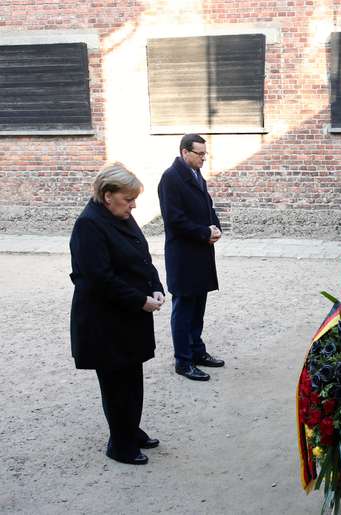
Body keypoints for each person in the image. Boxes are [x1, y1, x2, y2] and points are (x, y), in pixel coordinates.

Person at [69, 162, 165, 465]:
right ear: (108, 195)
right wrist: (140, 300)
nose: (133, 205)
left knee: (132, 376)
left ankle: (130, 429)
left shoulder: (119, 214)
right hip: (104, 321)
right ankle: (120, 444)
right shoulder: (89, 224)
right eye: (128, 199)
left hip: (127, 315)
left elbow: (141, 256)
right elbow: (99, 278)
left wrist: (155, 285)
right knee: (115, 383)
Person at [158, 134, 224, 382]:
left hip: (200, 251)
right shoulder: (171, 178)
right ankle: (183, 361)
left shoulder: (197, 176)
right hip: (184, 254)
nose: (203, 158)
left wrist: (215, 227)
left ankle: (197, 351)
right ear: (185, 152)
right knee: (184, 307)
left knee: (198, 307)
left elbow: (208, 206)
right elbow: (174, 219)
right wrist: (203, 232)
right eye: (200, 154)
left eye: (205, 154)